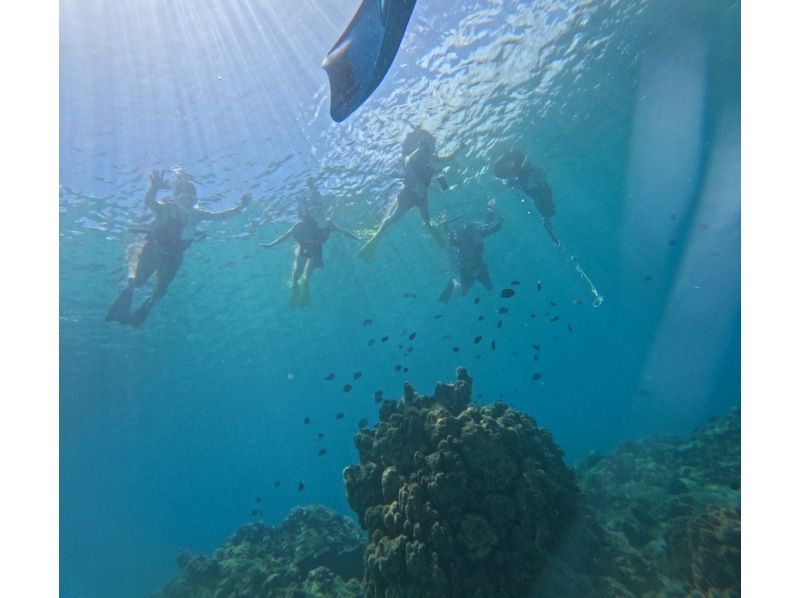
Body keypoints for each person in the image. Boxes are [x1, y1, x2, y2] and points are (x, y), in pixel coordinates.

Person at [106, 169, 252, 327]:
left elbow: (221, 216)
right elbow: (149, 202)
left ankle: (145, 308)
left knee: (161, 290)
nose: (187, 202)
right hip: (153, 251)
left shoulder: (197, 214)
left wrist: (240, 207)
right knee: (139, 281)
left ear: (195, 200)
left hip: (175, 257)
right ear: (176, 197)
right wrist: (153, 188)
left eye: (191, 199)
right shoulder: (165, 208)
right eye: (183, 198)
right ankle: (128, 290)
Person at [358, 126, 456, 259]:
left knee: (425, 220)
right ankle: (376, 237)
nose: (432, 149)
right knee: (394, 217)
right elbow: (408, 161)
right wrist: (419, 149)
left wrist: (459, 149)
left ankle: (434, 233)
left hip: (421, 196)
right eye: (431, 145)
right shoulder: (413, 158)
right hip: (409, 193)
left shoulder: (430, 159)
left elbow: (446, 158)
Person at [259, 201, 360, 307]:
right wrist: (270, 245)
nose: (317, 213)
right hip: (304, 248)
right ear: (309, 214)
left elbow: (343, 231)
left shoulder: (328, 223)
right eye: (314, 211)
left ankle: (304, 281)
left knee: (307, 275)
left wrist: (357, 238)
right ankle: (294, 286)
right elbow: (285, 236)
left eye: (319, 210)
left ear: (323, 211)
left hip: (316, 249)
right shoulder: (300, 225)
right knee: (298, 271)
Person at [438, 199, 503, 303]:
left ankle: (455, 283)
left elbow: (493, 228)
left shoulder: (474, 235)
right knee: (463, 292)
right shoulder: (462, 240)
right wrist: (444, 222)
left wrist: (498, 219)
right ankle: (454, 282)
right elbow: (449, 237)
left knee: (489, 287)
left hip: (478, 266)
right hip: (466, 270)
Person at [492, 150, 560, 245]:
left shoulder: (523, 174)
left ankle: (551, 232)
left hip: (529, 182)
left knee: (544, 212)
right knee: (544, 212)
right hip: (530, 183)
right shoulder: (523, 173)